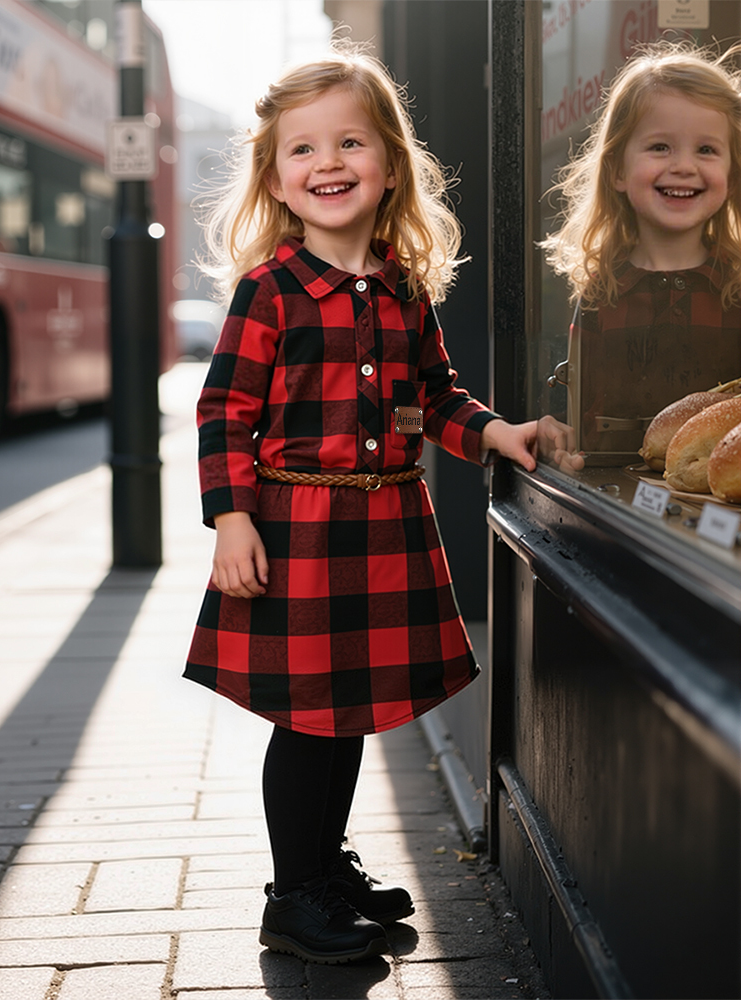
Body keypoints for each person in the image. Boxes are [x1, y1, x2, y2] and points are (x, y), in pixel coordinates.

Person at [183, 45, 547, 965]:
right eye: (303, 150)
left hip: (383, 524)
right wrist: (231, 519)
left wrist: (496, 434)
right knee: (307, 720)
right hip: (297, 530)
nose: (328, 163)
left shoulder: (402, 287)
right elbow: (222, 410)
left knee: (346, 716)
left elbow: (437, 397)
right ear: (275, 176)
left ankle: (323, 864)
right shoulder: (269, 291)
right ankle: (292, 894)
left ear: (390, 164)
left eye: (350, 142)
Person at [542, 42, 741, 459]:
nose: (684, 166)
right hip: (615, 508)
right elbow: (575, 422)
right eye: (660, 147)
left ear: (733, 173)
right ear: (617, 171)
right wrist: (559, 442)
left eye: (706, 149)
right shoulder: (599, 293)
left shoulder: (738, 288)